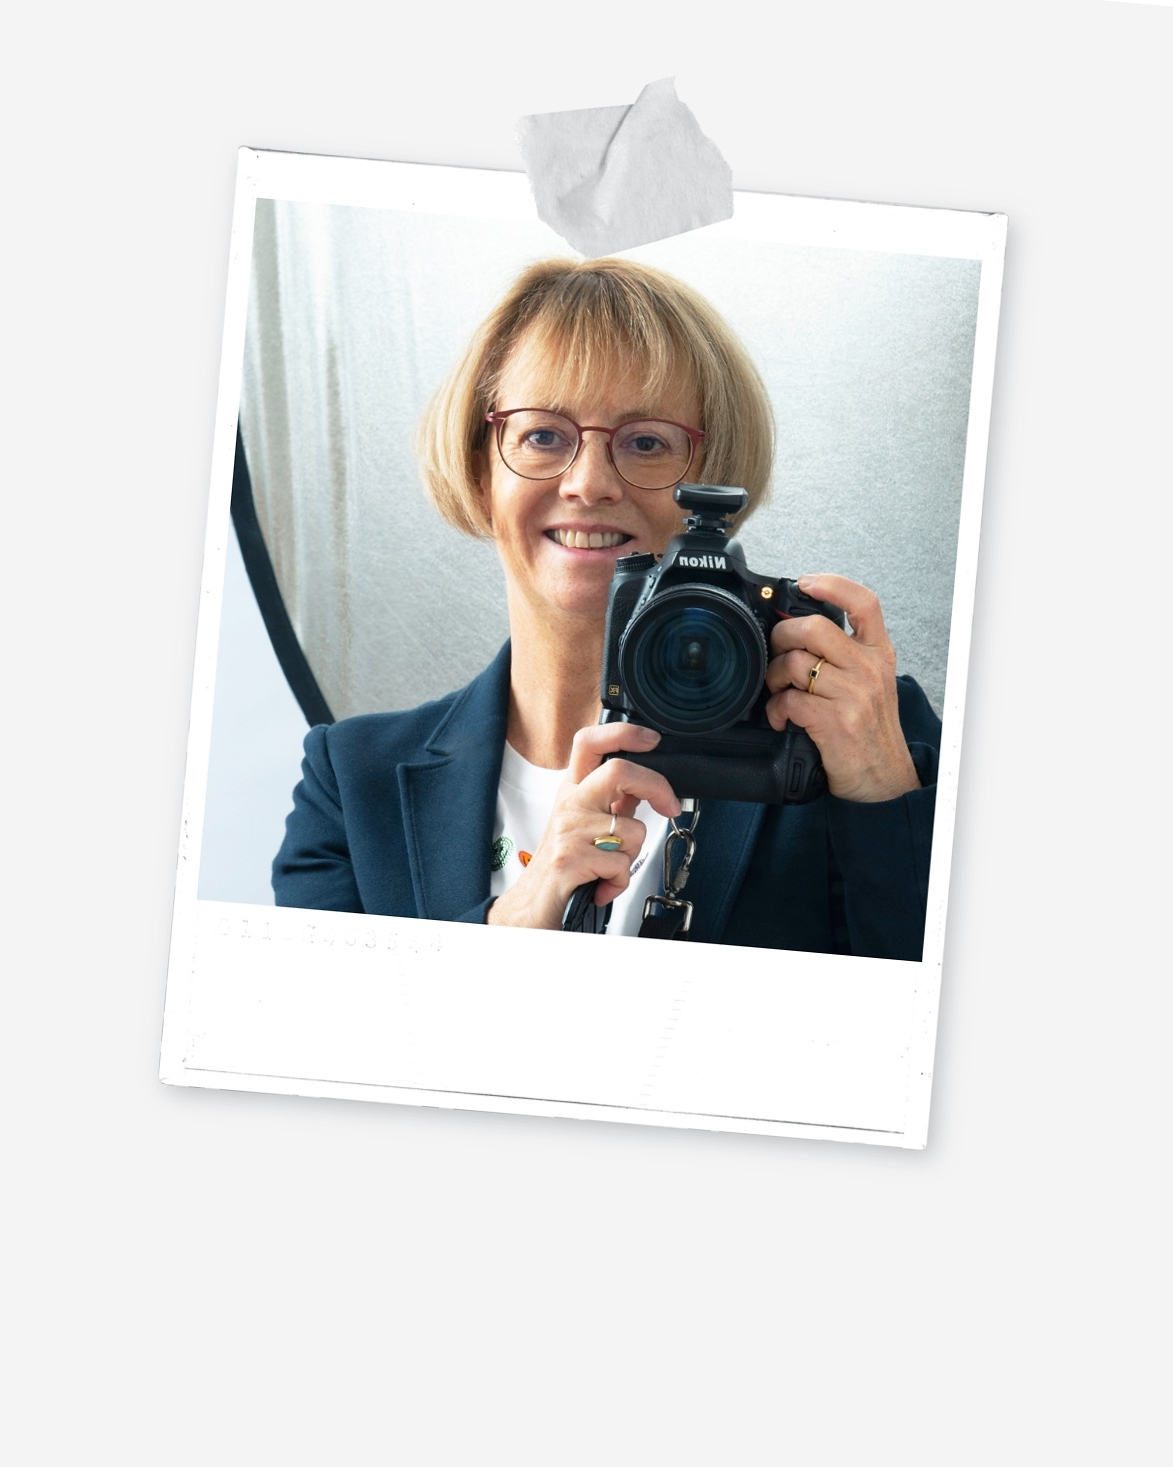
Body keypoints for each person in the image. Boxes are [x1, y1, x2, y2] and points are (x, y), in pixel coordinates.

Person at [273, 258, 940, 960]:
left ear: (713, 483)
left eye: (646, 442)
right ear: (479, 470)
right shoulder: (352, 782)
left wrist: (882, 791)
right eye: (542, 435)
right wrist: (510, 926)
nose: (589, 484)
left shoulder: (853, 732)